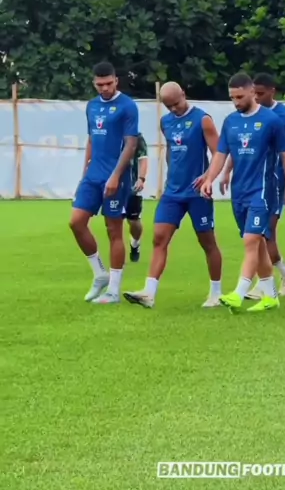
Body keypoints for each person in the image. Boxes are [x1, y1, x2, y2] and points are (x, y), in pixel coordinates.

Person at [123, 82, 223, 309]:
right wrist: (171, 176)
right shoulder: (165, 122)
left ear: (184, 95)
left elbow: (219, 152)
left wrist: (208, 177)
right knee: (159, 238)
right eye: (169, 106)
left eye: (176, 104)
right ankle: (149, 293)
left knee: (207, 242)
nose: (174, 109)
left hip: (197, 193)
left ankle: (216, 293)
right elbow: (170, 150)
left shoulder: (203, 120)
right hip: (173, 192)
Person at [201, 72, 285, 313]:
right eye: (232, 98)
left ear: (252, 92)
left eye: (240, 97)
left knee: (251, 240)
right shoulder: (231, 121)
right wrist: (210, 179)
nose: (236, 102)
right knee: (258, 244)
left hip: (262, 191)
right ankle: (270, 296)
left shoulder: (271, 120)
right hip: (239, 192)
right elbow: (221, 154)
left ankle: (239, 293)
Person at [69, 61, 139, 304]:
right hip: (93, 175)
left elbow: (131, 144)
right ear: (94, 83)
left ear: (116, 81)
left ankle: (114, 291)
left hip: (116, 176)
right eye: (100, 84)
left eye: (109, 83)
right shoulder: (92, 106)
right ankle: (100, 274)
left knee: (113, 230)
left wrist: (116, 176)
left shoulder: (127, 106)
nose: (105, 88)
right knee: (76, 222)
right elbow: (91, 140)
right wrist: (83, 175)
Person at [124, 133, 149, 262]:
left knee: (133, 221)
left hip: (131, 186)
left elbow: (143, 159)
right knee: (113, 222)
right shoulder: (111, 133)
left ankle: (135, 244)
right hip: (114, 186)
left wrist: (141, 178)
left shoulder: (137, 137)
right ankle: (116, 261)